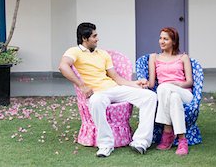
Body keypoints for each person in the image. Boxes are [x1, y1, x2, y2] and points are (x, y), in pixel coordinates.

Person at [58, 22, 157, 158]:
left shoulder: (103, 54)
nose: (97, 38)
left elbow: (116, 78)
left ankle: (141, 141)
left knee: (150, 96)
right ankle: (105, 145)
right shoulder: (74, 51)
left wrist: (135, 84)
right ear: (84, 38)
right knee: (96, 102)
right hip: (97, 93)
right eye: (94, 36)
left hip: (114, 89)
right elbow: (63, 66)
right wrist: (82, 86)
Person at [147, 27, 193, 156]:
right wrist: (141, 83)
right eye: (160, 38)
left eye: (165, 39)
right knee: (173, 98)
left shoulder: (183, 57)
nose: (161, 41)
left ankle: (167, 131)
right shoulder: (154, 57)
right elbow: (151, 83)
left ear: (173, 41)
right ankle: (182, 139)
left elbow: (189, 82)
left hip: (184, 92)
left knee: (163, 87)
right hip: (169, 95)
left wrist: (176, 84)